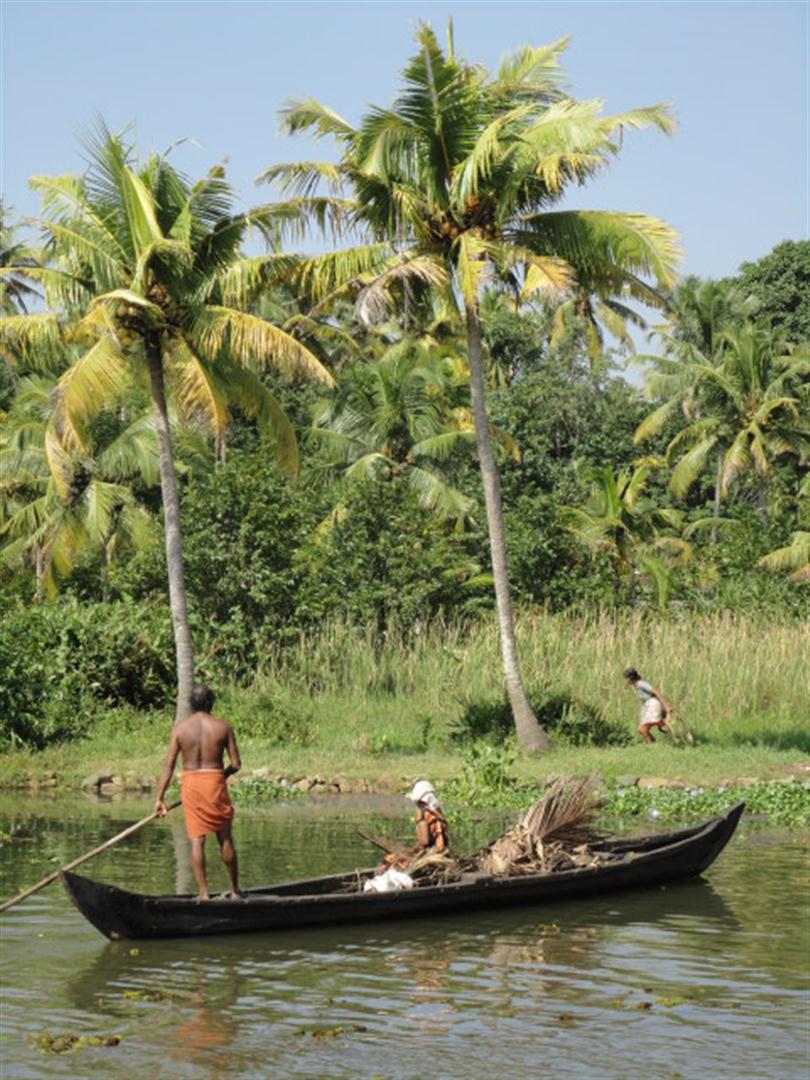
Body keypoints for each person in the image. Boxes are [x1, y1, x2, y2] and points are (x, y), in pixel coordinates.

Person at [154, 685, 242, 900]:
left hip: (191, 783)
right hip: (214, 781)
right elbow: (236, 764)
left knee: (196, 840)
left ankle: (203, 894)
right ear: (211, 703)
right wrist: (223, 775)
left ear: (191, 705)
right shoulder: (223, 727)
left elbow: (169, 766)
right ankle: (235, 891)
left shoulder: (181, 729)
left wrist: (159, 798)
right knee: (225, 838)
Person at [624, 667, 673, 744]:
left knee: (643, 729)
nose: (625, 681)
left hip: (653, 704)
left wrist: (666, 706)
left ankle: (652, 747)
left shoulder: (641, 684)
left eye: (626, 678)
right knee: (641, 729)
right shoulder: (637, 686)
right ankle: (653, 743)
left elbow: (656, 692)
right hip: (649, 706)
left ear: (630, 678)